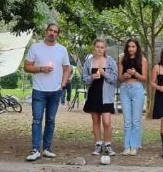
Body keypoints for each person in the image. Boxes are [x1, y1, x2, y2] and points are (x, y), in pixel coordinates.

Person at [24, 22, 71, 161]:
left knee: (50, 120)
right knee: (37, 120)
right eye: (50, 30)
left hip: (55, 91)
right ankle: (35, 149)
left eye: (55, 32)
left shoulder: (62, 49)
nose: (52, 33)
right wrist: (41, 69)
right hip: (39, 90)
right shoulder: (36, 47)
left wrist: (62, 84)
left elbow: (67, 68)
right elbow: (26, 67)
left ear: (58, 34)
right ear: (46, 31)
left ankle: (47, 148)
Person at [81, 38, 118, 157]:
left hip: (106, 96)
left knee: (106, 122)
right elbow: (84, 79)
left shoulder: (110, 61)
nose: (100, 49)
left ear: (105, 49)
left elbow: (114, 79)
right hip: (93, 95)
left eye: (102, 47)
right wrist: (92, 77)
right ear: (94, 47)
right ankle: (98, 145)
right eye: (98, 47)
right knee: (96, 121)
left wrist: (104, 74)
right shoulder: (89, 62)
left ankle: (107, 145)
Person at [118, 38, 148, 156]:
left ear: (137, 48)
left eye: (133, 46)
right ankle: (126, 146)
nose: (131, 49)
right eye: (129, 46)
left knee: (136, 120)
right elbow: (119, 79)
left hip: (137, 89)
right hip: (125, 88)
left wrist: (135, 74)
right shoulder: (122, 58)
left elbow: (145, 78)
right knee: (127, 120)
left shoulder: (142, 60)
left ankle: (134, 145)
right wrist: (125, 75)